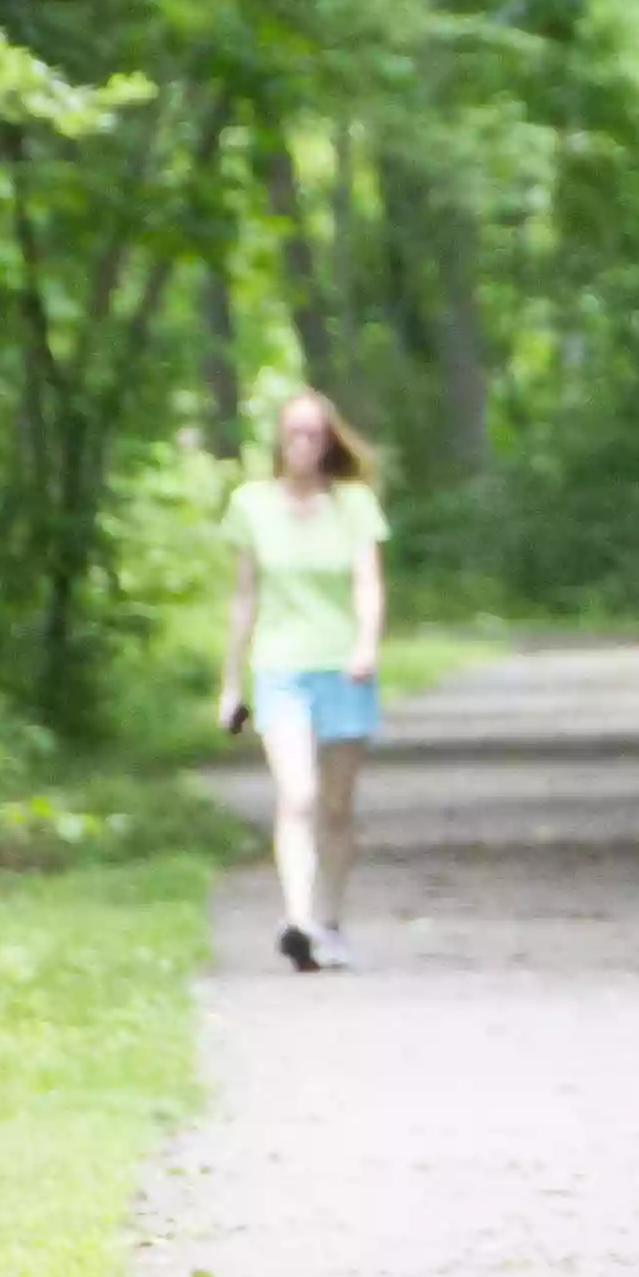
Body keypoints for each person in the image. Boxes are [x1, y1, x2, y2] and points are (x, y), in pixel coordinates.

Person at [217, 388, 387, 973]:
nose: (304, 444)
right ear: (280, 441)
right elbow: (243, 598)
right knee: (297, 795)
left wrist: (366, 644)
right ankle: (298, 919)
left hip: (343, 666)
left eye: (314, 434)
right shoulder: (251, 506)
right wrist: (231, 684)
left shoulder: (354, 504)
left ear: (329, 440)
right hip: (280, 667)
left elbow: (368, 583)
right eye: (294, 434)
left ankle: (332, 920)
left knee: (337, 807)